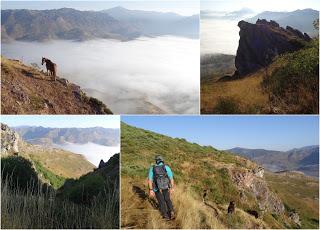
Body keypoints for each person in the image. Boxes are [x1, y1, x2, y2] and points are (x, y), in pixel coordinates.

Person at [148, 155, 175, 220]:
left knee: (161, 201)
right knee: (167, 199)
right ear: (162, 160)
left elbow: (150, 180)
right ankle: (171, 211)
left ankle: (165, 216)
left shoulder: (152, 168)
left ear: (156, 161)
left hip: (156, 188)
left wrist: (151, 190)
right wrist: (172, 188)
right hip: (165, 186)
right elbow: (171, 178)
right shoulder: (166, 167)